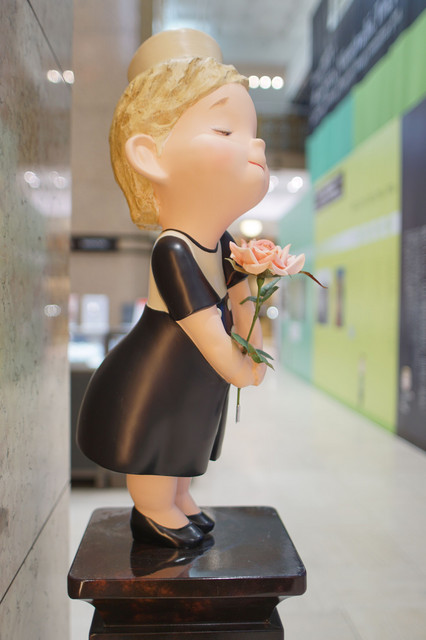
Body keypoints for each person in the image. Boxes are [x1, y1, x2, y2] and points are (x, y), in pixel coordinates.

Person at [77, 29, 269, 549]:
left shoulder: (222, 243)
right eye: (225, 130)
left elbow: (242, 300)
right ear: (150, 155)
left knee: (187, 436)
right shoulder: (173, 249)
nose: (256, 146)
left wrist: (252, 340)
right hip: (162, 369)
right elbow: (203, 323)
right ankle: (154, 508)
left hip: (197, 374)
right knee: (159, 437)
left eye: (254, 133)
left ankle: (180, 499)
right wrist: (238, 366)